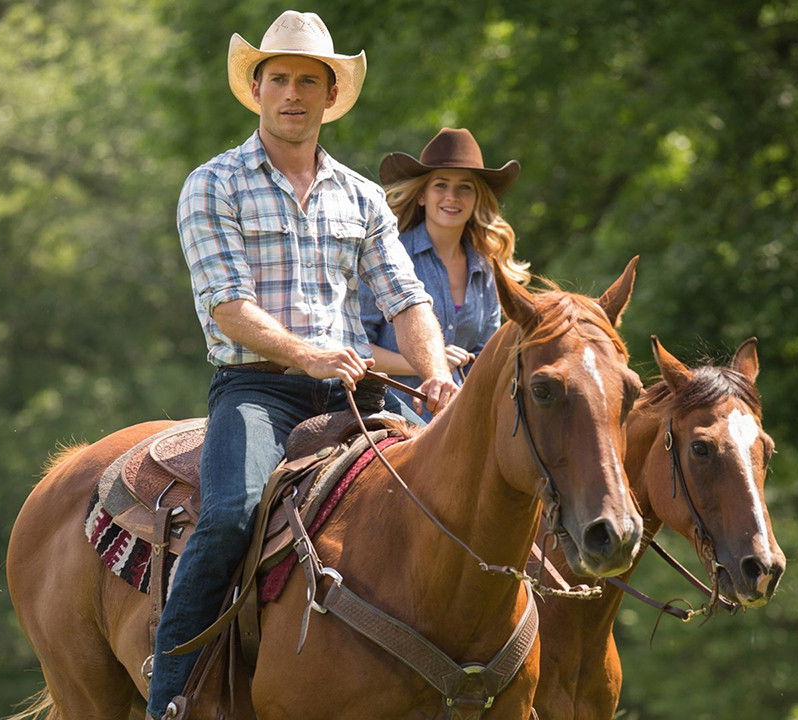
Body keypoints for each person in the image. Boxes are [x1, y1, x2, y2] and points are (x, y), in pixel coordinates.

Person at [146, 11, 459, 719]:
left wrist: (435, 370)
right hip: (258, 388)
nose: (293, 92)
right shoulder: (213, 184)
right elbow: (228, 306)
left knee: (455, 495)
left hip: (353, 391)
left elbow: (406, 298)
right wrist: (304, 351)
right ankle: (172, 698)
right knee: (229, 515)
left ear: (329, 97)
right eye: (279, 78)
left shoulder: (362, 197)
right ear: (257, 89)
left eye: (308, 82)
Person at [360, 127, 530, 419]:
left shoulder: (486, 269)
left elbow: (486, 360)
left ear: (477, 198)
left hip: (458, 421)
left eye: (465, 187)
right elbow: (357, 349)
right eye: (441, 185)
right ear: (422, 195)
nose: (452, 196)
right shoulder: (387, 255)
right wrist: (429, 363)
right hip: (389, 417)